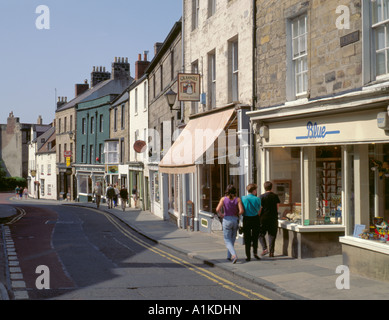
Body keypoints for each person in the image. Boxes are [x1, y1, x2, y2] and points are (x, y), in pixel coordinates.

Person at [216, 185, 244, 264]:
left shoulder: (223, 199)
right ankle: (229, 256)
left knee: (227, 240)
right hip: (235, 220)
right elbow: (241, 211)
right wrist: (236, 214)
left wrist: (221, 214)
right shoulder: (237, 199)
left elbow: (217, 209)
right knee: (232, 239)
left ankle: (234, 255)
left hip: (226, 220)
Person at [259, 181, 280, 258]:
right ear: (272, 187)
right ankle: (271, 252)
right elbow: (277, 207)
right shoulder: (275, 196)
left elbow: (260, 209)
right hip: (273, 218)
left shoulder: (261, 197)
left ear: (264, 188)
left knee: (260, 234)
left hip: (263, 218)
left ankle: (265, 248)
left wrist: (258, 216)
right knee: (272, 235)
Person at [241, 184, 261, 261]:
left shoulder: (243, 198)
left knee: (247, 238)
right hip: (255, 219)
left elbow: (241, 209)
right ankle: (255, 253)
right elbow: (259, 210)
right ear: (254, 190)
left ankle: (248, 256)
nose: (256, 191)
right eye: (256, 190)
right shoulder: (257, 199)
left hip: (246, 219)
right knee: (255, 237)